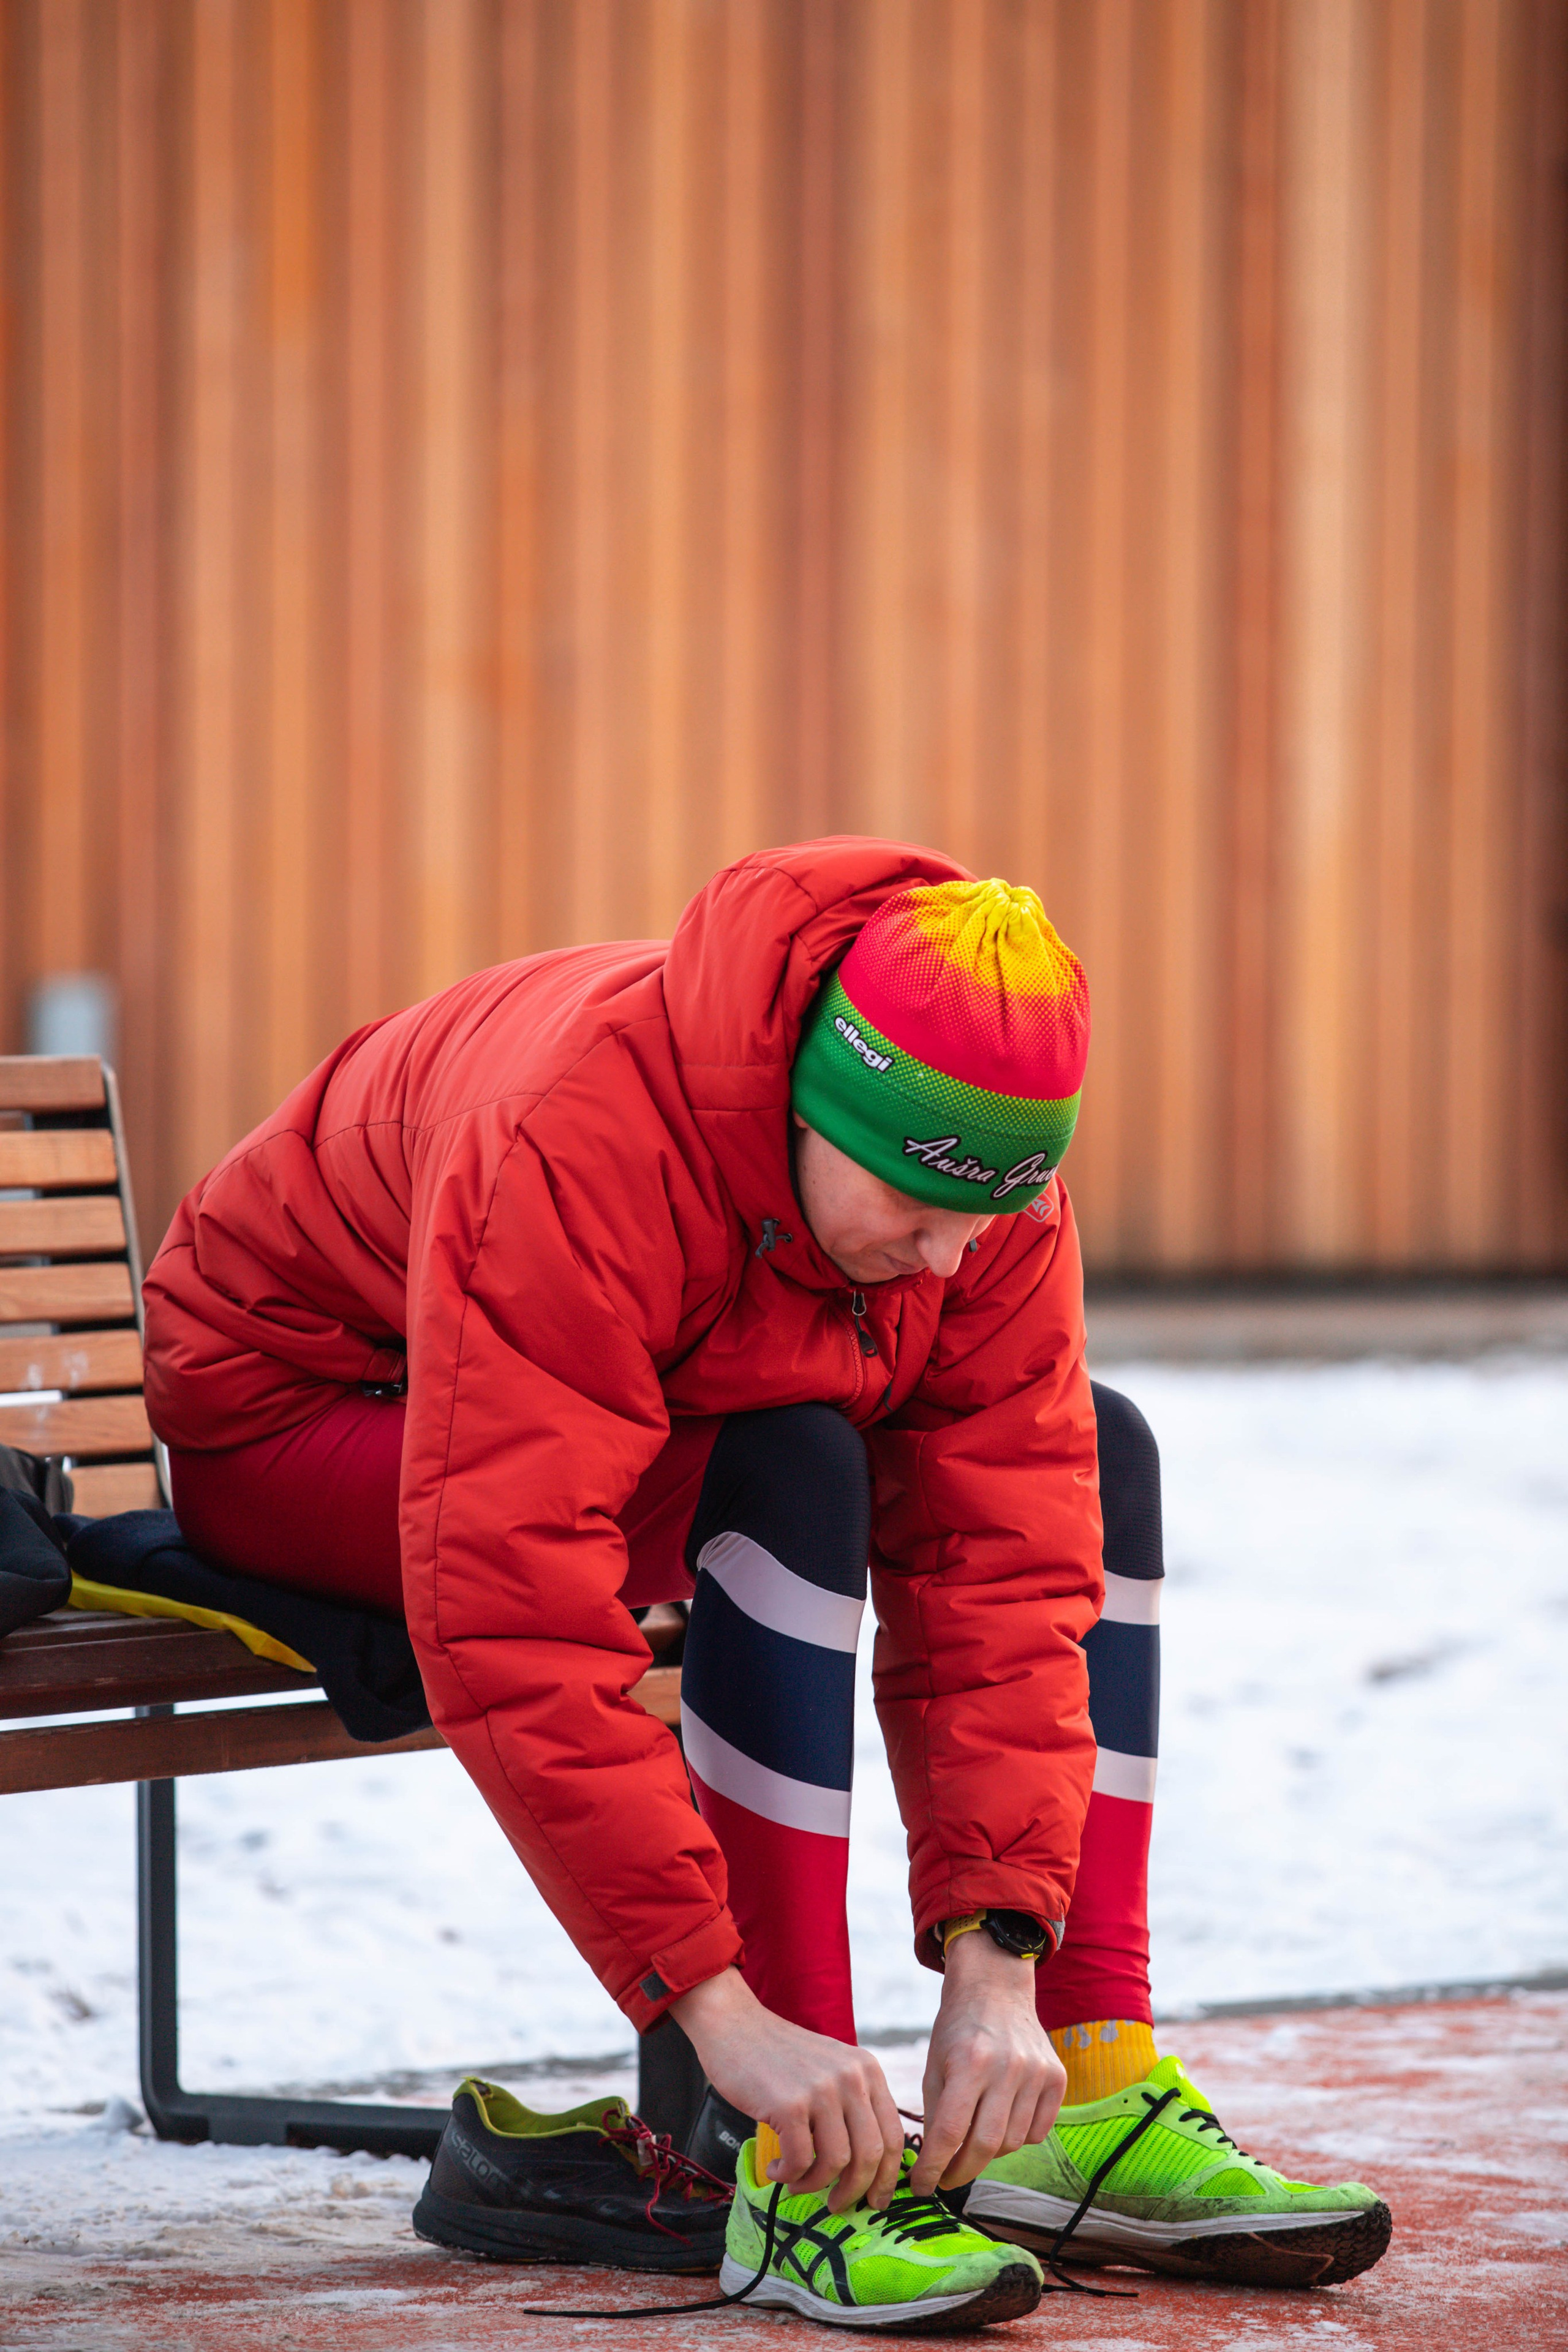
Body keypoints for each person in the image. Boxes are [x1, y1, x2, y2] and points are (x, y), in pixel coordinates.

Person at [143, 841, 1389, 2326]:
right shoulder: (577, 1135)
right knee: (790, 1464)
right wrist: (721, 2017)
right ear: (811, 1104)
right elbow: (510, 1599)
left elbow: (1006, 1560)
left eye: (983, 1211)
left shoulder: (972, 1194)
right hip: (315, 1410)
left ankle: (1085, 2081)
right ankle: (780, 2147)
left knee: (1095, 1452)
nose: (945, 1253)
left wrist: (1000, 1963)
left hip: (640, 1399)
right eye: (913, 1202)